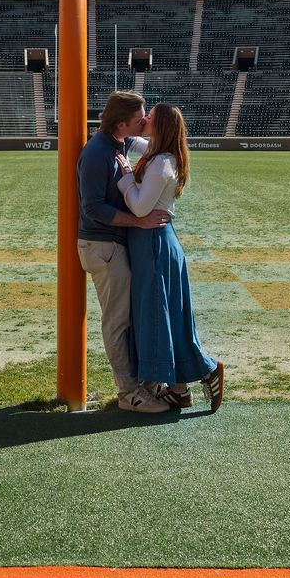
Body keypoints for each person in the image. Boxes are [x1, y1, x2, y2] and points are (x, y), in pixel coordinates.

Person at [116, 102, 224, 413]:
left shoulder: (163, 162)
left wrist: (125, 177)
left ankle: (205, 369)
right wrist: (117, 128)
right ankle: (179, 389)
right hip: (155, 244)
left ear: (160, 126)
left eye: (149, 117)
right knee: (166, 315)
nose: (144, 118)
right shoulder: (159, 152)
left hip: (154, 244)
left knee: (159, 314)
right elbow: (134, 141)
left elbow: (139, 207)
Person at [76, 91, 172, 414]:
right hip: (101, 245)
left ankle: (139, 384)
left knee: (127, 317)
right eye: (138, 120)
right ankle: (127, 393)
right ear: (121, 124)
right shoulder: (96, 153)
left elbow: (161, 150)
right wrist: (138, 221)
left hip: (113, 244)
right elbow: (92, 210)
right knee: (117, 322)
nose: (144, 122)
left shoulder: (118, 143)